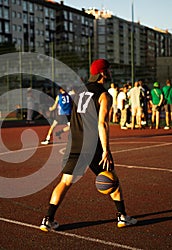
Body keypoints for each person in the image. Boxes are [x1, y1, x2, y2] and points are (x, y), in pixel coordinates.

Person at [39, 59, 137, 231]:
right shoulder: (104, 95)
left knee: (65, 181)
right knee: (112, 179)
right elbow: (103, 124)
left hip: (75, 143)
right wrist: (106, 150)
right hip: (93, 145)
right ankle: (122, 216)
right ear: (102, 73)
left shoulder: (78, 92)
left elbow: (74, 117)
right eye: (108, 70)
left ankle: (47, 219)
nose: (110, 73)